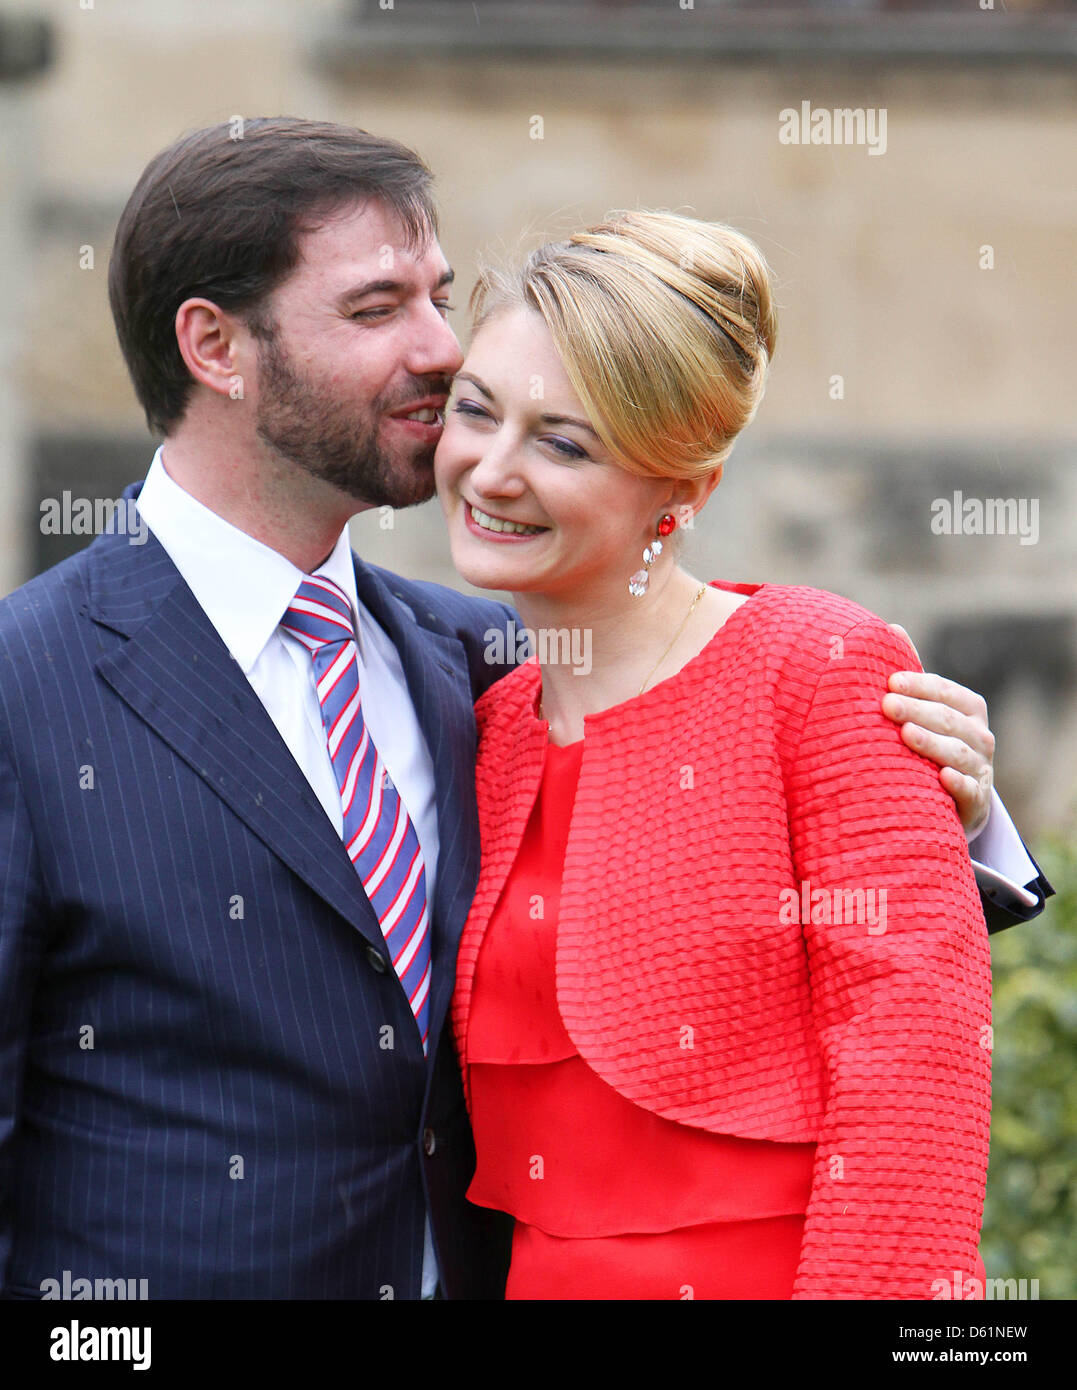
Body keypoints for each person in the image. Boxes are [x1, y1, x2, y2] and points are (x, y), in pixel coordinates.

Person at [0, 119, 1049, 1302]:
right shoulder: (27, 688)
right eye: (378, 307)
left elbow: (858, 1021)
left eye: (441, 298)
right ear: (215, 346)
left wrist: (944, 811)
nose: (437, 352)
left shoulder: (479, 658)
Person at [435, 209, 1052, 1299]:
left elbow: (915, 1072)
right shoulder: (487, 727)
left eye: (563, 442)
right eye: (476, 411)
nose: (490, 470)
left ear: (682, 493)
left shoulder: (816, 666)